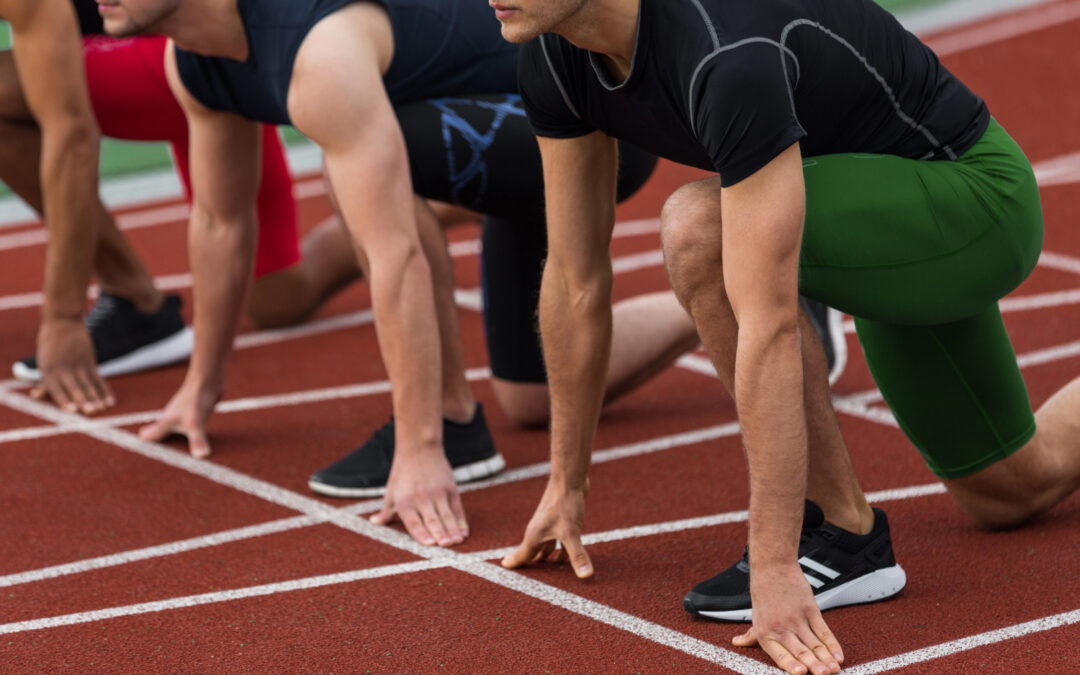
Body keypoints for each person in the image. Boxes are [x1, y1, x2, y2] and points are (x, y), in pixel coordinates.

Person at [492, 2, 1080, 675]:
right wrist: (565, 484)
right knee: (1011, 487)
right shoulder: (554, 53)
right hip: (871, 222)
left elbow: (769, 320)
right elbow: (573, 277)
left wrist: (773, 562)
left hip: (974, 204)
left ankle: (838, 532)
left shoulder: (723, 49)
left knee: (700, 231)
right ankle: (844, 531)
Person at [1, 1, 306, 405]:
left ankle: (133, 298)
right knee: (277, 298)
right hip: (189, 46)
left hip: (214, 48)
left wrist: (62, 316)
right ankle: (393, 217)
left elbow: (72, 131)